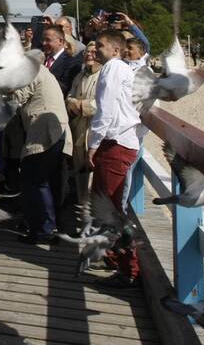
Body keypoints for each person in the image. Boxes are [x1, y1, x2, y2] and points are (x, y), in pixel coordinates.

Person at [88, 29, 141, 288]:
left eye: (100, 45)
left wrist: (93, 145)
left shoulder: (112, 69)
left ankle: (128, 269)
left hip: (115, 143)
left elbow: (105, 111)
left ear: (116, 50)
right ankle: (114, 258)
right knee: (109, 206)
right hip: (121, 142)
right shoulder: (121, 69)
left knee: (110, 210)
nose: (95, 49)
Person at [11, 66, 72, 243]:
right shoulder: (42, 72)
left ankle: (44, 230)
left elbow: (17, 98)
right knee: (46, 182)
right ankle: (49, 227)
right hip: (56, 132)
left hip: (44, 134)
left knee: (34, 182)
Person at [65, 42, 100, 211]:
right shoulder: (79, 76)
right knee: (80, 172)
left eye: (94, 52)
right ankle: (82, 206)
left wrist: (80, 106)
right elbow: (70, 97)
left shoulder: (103, 75)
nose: (90, 55)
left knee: (93, 176)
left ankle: (92, 214)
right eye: (87, 51)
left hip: (93, 130)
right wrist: (75, 104)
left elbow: (101, 103)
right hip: (78, 129)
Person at [42, 26, 82, 98]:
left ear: (60, 41)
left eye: (48, 40)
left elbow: (66, 87)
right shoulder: (40, 60)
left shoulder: (71, 62)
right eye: (43, 40)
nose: (44, 43)